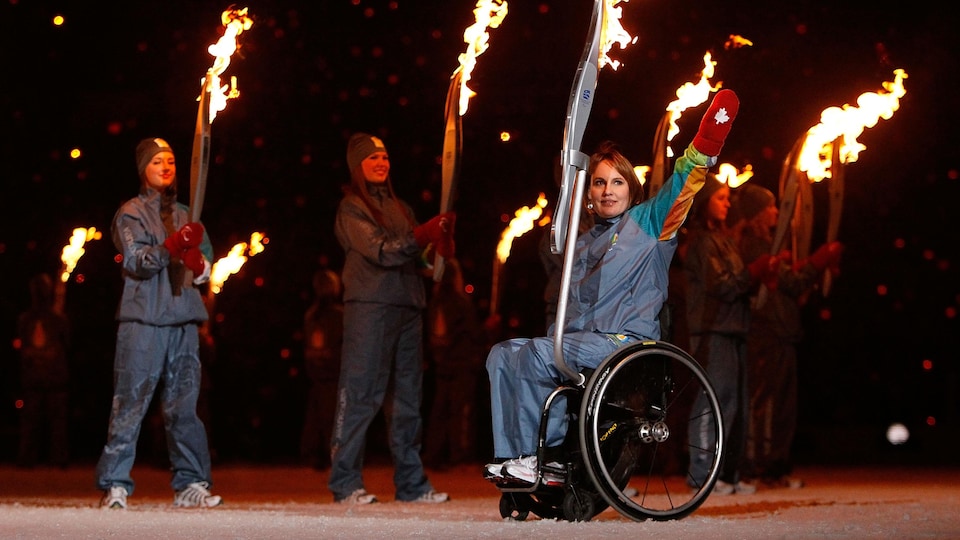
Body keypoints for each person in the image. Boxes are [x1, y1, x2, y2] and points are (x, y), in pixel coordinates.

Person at [484, 89, 741, 484]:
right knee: (502, 354)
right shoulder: (582, 243)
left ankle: (546, 459)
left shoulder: (649, 224)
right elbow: (573, 307)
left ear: (630, 186)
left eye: (617, 182)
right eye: (600, 183)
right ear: (589, 193)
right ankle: (515, 458)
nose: (608, 191)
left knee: (537, 354)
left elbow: (682, 187)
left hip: (625, 342)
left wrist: (705, 144)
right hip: (585, 342)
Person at [95, 137, 221, 510]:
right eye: (156, 162)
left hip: (183, 319)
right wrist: (171, 248)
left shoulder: (188, 215)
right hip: (144, 321)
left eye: (169, 161)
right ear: (143, 170)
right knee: (131, 402)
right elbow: (135, 260)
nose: (165, 167)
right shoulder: (129, 213)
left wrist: (200, 266)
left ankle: (190, 483)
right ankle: (115, 483)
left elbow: (206, 268)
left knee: (184, 406)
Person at [329, 132, 454, 504]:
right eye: (372, 158)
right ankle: (345, 482)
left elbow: (416, 259)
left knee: (407, 398)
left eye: (384, 156)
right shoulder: (352, 208)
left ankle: (411, 484)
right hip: (370, 306)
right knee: (361, 394)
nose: (381, 163)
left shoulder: (401, 207)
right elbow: (381, 251)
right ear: (357, 166)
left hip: (407, 306)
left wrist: (438, 253)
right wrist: (422, 236)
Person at [730, 184, 843, 489]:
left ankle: (775, 466)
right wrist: (818, 262)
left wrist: (812, 270)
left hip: (782, 333)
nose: (776, 212)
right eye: (769, 207)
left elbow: (790, 288)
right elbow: (789, 283)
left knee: (782, 406)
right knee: (764, 404)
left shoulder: (769, 244)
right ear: (756, 214)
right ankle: (758, 466)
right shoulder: (753, 245)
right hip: (765, 332)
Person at [683, 175, 785, 496]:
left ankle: (728, 471)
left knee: (736, 405)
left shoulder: (723, 239)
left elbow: (740, 286)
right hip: (712, 330)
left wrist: (761, 278)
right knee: (713, 401)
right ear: (704, 203)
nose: (728, 203)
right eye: (721, 198)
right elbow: (723, 285)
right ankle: (702, 473)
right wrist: (754, 271)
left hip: (735, 329)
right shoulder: (701, 241)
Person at [422, 257, 487, 467]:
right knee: (460, 412)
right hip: (460, 365)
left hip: (442, 365)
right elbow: (473, 334)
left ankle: (435, 454)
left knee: (439, 410)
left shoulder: (435, 302)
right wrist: (489, 328)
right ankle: (459, 456)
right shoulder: (460, 302)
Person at [15, 273, 71, 469]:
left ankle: (58, 459)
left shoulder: (57, 318)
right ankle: (27, 459)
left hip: (54, 377)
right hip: (35, 377)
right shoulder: (26, 320)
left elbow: (66, 343)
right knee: (32, 421)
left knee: (56, 423)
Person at [299, 268, 344, 470]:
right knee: (328, 416)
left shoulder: (311, 315)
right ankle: (327, 455)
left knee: (319, 414)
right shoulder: (338, 316)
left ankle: (317, 453)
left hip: (317, 374)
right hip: (331, 374)